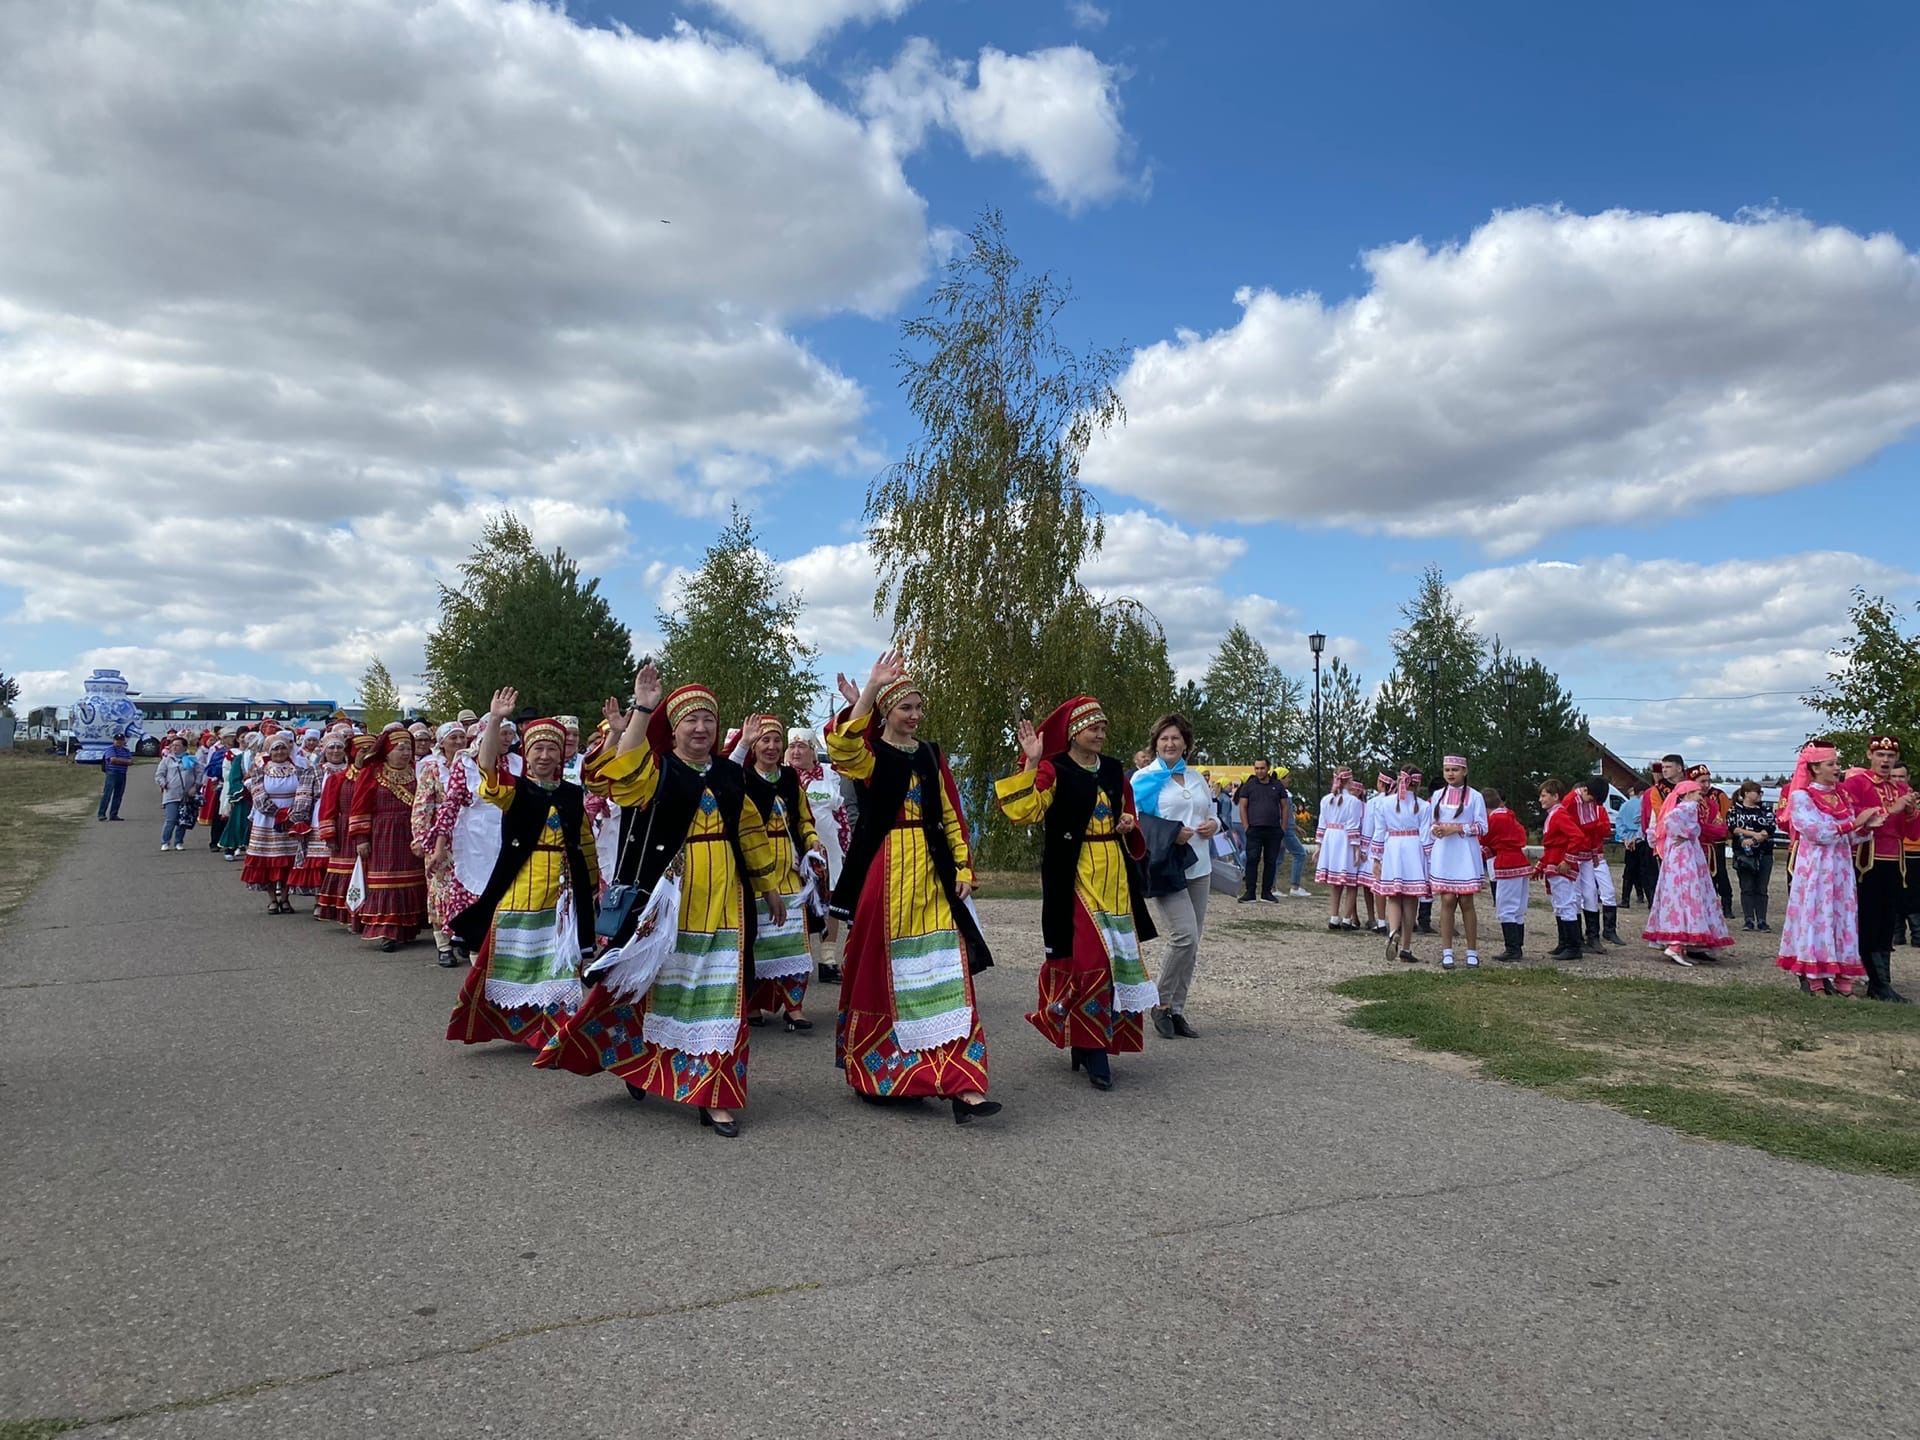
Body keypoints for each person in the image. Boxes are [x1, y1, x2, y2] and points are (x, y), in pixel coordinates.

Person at [537, 668, 787, 1138]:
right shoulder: (657, 771)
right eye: (690, 720)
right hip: (668, 903)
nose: (700, 729)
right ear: (673, 729)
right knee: (658, 988)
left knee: (720, 993)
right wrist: (643, 709)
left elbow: (751, 832)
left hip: (726, 901)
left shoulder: (732, 775)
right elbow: (621, 772)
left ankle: (714, 1093)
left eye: (708, 721)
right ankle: (638, 1062)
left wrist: (769, 884)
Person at [815, 653, 998, 1122]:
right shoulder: (871, 755)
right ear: (888, 712)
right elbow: (841, 747)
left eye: (919, 707)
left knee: (944, 968)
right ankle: (885, 1072)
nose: (915, 715)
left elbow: (952, 815)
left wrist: (962, 868)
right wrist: (871, 691)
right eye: (906, 708)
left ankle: (963, 1084)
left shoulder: (931, 755)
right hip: (886, 871)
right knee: (885, 970)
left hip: (933, 872)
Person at [995, 696, 1158, 1092]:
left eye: (1103, 728)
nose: (1100, 734)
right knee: (1090, 957)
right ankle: (1092, 1046)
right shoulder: (1057, 769)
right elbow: (1025, 812)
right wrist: (1032, 762)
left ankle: (1091, 1041)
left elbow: (1129, 812)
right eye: (1093, 728)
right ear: (1073, 732)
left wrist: (1126, 823)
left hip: (1114, 875)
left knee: (1116, 958)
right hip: (1075, 872)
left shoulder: (1115, 770)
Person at [447, 693, 599, 1050]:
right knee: (517, 960)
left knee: (558, 962)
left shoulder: (572, 794)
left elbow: (584, 842)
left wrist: (591, 886)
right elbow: (487, 767)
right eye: (537, 749)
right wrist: (496, 720)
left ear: (562, 754)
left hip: (563, 894)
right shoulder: (515, 790)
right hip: (522, 887)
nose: (544, 756)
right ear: (526, 753)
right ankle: (507, 1024)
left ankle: (555, 1028)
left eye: (551, 749)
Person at [732, 713, 827, 1033]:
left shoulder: (790, 779)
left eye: (777, 741)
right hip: (756, 872)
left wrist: (813, 841)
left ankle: (795, 1007)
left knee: (794, 943)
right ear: (754, 745)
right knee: (757, 941)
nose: (772, 747)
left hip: (790, 872)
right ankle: (753, 1004)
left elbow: (803, 819)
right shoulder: (742, 780)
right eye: (765, 740)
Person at [1131, 712, 1218, 1039]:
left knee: (1192, 944)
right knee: (1184, 936)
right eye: (1164, 738)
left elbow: (1211, 813)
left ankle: (1177, 1009)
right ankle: (1161, 1003)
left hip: (1200, 866)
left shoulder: (1195, 778)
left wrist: (1215, 825)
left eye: (1175, 739)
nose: (1170, 743)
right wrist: (1171, 833)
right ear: (1156, 744)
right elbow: (1135, 822)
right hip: (1166, 866)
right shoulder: (1144, 779)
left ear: (1186, 744)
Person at [1776, 743, 1876, 997]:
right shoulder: (1802, 796)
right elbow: (1814, 831)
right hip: (1816, 869)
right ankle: (1815, 980)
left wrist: (1866, 828)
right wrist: (1853, 824)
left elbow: (1850, 837)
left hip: (1841, 868)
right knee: (1817, 918)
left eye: (1836, 763)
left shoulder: (1842, 796)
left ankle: (1843, 981)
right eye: (1831, 764)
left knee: (1842, 918)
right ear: (1815, 768)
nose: (1836, 768)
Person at [1839, 736, 1920, 1002]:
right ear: (1869, 755)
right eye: (1881, 755)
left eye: (1890, 756)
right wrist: (1893, 808)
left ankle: (1882, 980)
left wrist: (1911, 814)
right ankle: (1874, 980)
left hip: (1895, 860)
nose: (1886, 760)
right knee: (1869, 919)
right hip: (1867, 859)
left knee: (1887, 920)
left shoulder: (1900, 787)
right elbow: (1856, 820)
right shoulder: (1856, 784)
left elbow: (1909, 832)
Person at [347, 727, 429, 952]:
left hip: (410, 832)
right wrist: (361, 837)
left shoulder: (416, 772)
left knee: (412, 879)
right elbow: (359, 805)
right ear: (388, 750)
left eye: (408, 749)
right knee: (386, 880)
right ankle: (387, 930)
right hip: (383, 834)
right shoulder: (373, 773)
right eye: (400, 748)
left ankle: (407, 927)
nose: (405, 753)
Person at [1642, 780, 1733, 966]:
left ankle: (1682, 945)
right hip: (1685, 857)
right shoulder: (1688, 806)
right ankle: (1677, 944)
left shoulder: (1679, 807)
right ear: (1688, 793)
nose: (1701, 797)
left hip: (1682, 854)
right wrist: (1686, 833)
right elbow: (1673, 822)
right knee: (1688, 894)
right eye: (1698, 793)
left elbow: (1664, 824)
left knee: (1679, 895)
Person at [788, 728, 849, 983]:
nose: (796, 751)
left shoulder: (830, 775)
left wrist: (847, 845)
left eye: (802, 746)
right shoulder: (783, 778)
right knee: (795, 905)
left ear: (813, 750)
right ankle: (795, 963)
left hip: (828, 849)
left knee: (829, 906)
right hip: (795, 851)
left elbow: (842, 812)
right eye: (792, 747)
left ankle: (827, 961)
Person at [242, 732, 317, 914]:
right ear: (269, 750)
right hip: (267, 820)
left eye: (283, 747)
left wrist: (294, 814)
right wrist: (276, 812)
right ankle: (272, 899)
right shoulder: (260, 770)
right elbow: (258, 794)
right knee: (268, 861)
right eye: (276, 748)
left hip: (292, 819)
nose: (280, 751)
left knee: (287, 860)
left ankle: (285, 898)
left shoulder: (299, 770)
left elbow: (305, 791)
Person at [1427, 754, 1489, 970]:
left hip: (1464, 852)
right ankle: (1447, 952)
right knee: (1447, 900)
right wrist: (1436, 831)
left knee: (1466, 902)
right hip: (1444, 852)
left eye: (1455, 770)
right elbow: (1430, 824)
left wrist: (1455, 829)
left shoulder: (1475, 797)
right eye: (1447, 770)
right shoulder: (1436, 796)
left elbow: (1483, 827)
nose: (1451, 774)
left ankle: (1472, 951)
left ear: (1464, 771)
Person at [412, 721, 466, 966]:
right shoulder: (432, 769)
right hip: (440, 840)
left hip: (469, 839)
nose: (457, 742)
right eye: (452, 738)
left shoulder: (471, 765)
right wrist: (423, 839)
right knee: (440, 890)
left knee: (465, 888)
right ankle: (443, 944)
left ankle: (464, 937)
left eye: (461, 738)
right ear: (441, 742)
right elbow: (422, 806)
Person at [1370, 771, 1432, 963]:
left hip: (1393, 848)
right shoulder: (1423, 806)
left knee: (1394, 896)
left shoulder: (1384, 803)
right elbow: (1426, 837)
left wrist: (1376, 858)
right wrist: (1430, 861)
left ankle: (1393, 932)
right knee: (1411, 899)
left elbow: (1379, 832)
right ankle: (1406, 946)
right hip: (1413, 849)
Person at [313, 733, 368, 923]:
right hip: (344, 829)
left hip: (371, 829)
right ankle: (345, 912)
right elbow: (327, 809)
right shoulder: (338, 778)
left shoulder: (378, 776)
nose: (366, 756)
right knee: (346, 870)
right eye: (363, 752)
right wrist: (329, 835)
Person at [1538, 779, 1586, 960]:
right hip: (1553, 862)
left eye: (1544, 795)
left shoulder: (1559, 815)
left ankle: (1573, 947)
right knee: (1559, 904)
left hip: (1560, 864)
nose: (1540, 800)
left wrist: (1568, 859)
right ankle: (1564, 942)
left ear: (1555, 796)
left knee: (1566, 903)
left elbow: (1577, 836)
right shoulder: (1553, 814)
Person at [1480, 786, 1530, 960]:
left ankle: (1512, 948)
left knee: (1506, 906)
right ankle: (1518, 945)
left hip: (1506, 862)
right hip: (1520, 860)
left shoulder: (1494, 819)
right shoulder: (1509, 815)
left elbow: (1484, 838)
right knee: (1518, 908)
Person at [1314, 767, 1365, 930]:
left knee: (1335, 883)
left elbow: (1322, 823)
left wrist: (1319, 846)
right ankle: (1347, 918)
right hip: (1344, 840)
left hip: (1330, 838)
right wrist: (1357, 849)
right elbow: (1353, 825)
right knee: (1351, 883)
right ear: (1349, 781)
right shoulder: (1354, 802)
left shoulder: (1326, 799)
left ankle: (1334, 917)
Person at [1237, 758, 1289, 904]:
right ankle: (1250, 893)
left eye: (1262, 768)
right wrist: (1246, 826)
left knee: (1270, 861)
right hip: (1254, 829)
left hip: (1273, 830)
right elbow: (1242, 806)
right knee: (1252, 860)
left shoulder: (1277, 785)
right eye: (1257, 768)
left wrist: (1283, 827)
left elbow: (1285, 806)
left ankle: (1267, 892)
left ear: (1268, 768)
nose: (1259, 771)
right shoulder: (1249, 785)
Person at [1728, 780, 1777, 931]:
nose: (1760, 795)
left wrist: (1754, 839)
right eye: (1757, 792)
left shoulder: (1766, 811)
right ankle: (1748, 919)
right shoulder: (1734, 811)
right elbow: (1733, 828)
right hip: (1744, 855)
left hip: (1764, 854)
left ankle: (1762, 919)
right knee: (1747, 887)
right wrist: (1753, 834)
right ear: (1746, 793)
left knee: (1762, 888)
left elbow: (1769, 829)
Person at [154, 737, 197, 850]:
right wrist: (163, 783)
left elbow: (200, 774)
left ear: (184, 747)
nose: (174, 747)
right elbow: (159, 774)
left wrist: (195, 787)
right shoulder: (167, 760)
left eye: (177, 745)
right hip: (171, 794)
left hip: (186, 795)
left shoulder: (191, 759)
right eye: (173, 745)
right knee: (171, 819)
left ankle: (179, 841)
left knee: (183, 820)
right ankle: (165, 841)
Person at [217, 735, 257, 859]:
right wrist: (242, 789)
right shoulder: (240, 758)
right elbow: (233, 777)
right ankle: (230, 847)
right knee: (237, 822)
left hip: (259, 796)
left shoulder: (264, 758)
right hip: (244, 796)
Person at [1896, 762, 1920, 947]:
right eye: (1894, 776)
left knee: (1914, 894)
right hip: (1892, 853)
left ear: (1908, 778)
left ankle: (1917, 933)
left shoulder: (1915, 800)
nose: (1897, 780)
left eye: (1901, 776)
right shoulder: (1883, 797)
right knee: (1894, 893)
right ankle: (1897, 933)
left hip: (1915, 853)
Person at [1614, 781, 1649, 909]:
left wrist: (1624, 838)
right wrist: (1637, 837)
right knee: (1644, 871)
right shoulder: (1644, 804)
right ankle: (1648, 899)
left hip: (1628, 841)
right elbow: (1643, 823)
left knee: (1629, 871)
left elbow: (1619, 822)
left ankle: (1625, 899)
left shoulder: (1624, 805)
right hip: (1641, 840)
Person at [96, 732, 132, 821]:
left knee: (118, 795)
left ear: (124, 741)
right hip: (112, 773)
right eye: (117, 740)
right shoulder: (110, 749)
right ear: (114, 741)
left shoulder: (126, 751)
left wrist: (121, 761)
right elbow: (112, 760)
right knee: (107, 794)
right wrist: (125, 761)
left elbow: (131, 761)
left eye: (121, 740)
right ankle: (101, 814)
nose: (119, 742)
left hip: (122, 774)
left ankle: (114, 814)